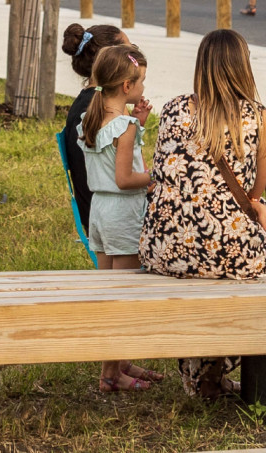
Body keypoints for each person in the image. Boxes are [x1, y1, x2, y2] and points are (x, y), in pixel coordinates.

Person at [140, 29, 266, 398]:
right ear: (243, 66)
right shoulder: (260, 117)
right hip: (230, 253)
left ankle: (203, 377)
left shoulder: (174, 108)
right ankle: (218, 375)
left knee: (207, 268)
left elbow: (164, 173)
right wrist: (262, 208)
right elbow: (254, 193)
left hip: (165, 250)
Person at [75, 44, 160, 393]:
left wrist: (138, 124)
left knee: (107, 293)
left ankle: (120, 362)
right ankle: (110, 375)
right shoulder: (122, 125)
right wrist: (160, 174)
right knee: (121, 299)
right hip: (123, 214)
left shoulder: (90, 118)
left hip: (100, 211)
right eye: (139, 82)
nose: (142, 89)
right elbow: (126, 179)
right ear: (126, 86)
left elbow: (110, 165)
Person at [59, 23, 131, 230]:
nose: (135, 58)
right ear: (112, 61)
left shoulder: (87, 102)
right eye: (130, 50)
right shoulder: (106, 109)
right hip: (113, 218)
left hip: (94, 213)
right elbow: (124, 176)